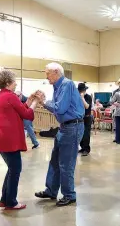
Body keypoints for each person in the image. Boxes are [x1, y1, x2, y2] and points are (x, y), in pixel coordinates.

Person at [34, 62, 84, 207]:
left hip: (72, 127)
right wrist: (45, 102)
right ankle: (51, 190)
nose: (46, 76)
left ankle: (69, 195)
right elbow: (57, 108)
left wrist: (44, 102)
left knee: (66, 163)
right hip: (64, 127)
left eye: (47, 73)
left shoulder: (67, 85)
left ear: (56, 72)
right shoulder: (58, 87)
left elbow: (60, 108)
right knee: (55, 161)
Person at [0, 70, 39, 210]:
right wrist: (36, 102)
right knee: (15, 169)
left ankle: (5, 199)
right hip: (7, 139)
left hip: (1, 138)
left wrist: (29, 99)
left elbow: (20, 108)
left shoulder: (3, 96)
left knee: (12, 169)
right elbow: (27, 114)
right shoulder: (10, 96)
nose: (16, 83)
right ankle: (11, 201)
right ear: (8, 83)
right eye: (14, 80)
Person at [78, 83, 93, 156]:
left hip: (87, 117)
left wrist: (82, 98)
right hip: (80, 118)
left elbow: (87, 106)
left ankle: (87, 149)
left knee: (86, 134)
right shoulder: (77, 97)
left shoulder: (88, 97)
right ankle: (82, 148)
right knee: (81, 134)